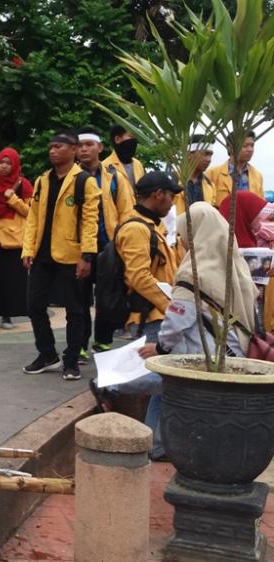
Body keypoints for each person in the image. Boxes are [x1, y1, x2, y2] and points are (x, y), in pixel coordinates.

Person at [135, 203, 257, 459]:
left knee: (170, 388)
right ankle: (157, 444)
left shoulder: (194, 271)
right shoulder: (233, 262)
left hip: (201, 355)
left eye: (183, 235)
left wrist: (159, 348)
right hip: (234, 349)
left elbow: (178, 321)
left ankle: (159, 445)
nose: (182, 241)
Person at [21, 131, 101, 381]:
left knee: (75, 310)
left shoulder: (84, 181)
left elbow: (91, 221)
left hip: (71, 254)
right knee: (34, 305)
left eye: (58, 146)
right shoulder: (42, 181)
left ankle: (71, 360)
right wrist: (28, 248)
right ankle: (47, 354)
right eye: (51, 147)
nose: (52, 151)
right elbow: (33, 217)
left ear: (73, 150)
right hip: (43, 254)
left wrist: (87, 255)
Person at [76, 126, 135, 356]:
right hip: (78, 248)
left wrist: (122, 242)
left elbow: (127, 211)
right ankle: (79, 344)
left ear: (100, 147)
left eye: (89, 145)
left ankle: (103, 340)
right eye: (80, 145)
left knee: (107, 296)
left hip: (108, 246)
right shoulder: (72, 177)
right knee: (78, 299)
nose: (84, 150)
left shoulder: (115, 177)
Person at [115, 172, 181, 344]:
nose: (172, 202)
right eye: (171, 196)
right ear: (158, 194)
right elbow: (138, 276)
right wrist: (170, 307)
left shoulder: (151, 226)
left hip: (158, 315)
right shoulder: (136, 229)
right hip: (149, 318)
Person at [0, 148, 33, 330]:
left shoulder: (23, 184)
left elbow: (30, 212)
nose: (4, 166)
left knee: (12, 281)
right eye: (1, 162)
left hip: (13, 240)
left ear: (15, 165)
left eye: (8, 163)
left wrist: (13, 199)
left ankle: (7, 315)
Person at [218, 191, 274, 331]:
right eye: (256, 214)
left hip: (252, 317)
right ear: (244, 214)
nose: (260, 220)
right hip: (235, 322)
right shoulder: (227, 249)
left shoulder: (251, 240)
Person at [207, 131, 265, 207]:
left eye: (252, 145)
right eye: (245, 146)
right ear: (230, 147)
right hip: (221, 218)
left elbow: (261, 205)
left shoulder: (257, 176)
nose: (250, 149)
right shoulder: (212, 173)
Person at [175, 135, 215, 213]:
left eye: (211, 155)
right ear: (189, 154)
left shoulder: (210, 185)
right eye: (205, 154)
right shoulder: (172, 181)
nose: (209, 159)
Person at [103, 125, 145, 189]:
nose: (134, 141)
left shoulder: (138, 164)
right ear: (117, 139)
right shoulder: (105, 166)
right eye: (130, 137)